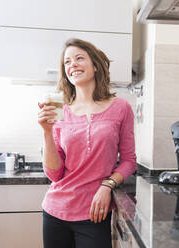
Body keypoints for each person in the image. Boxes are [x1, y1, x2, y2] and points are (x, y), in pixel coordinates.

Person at [37, 38, 137, 248]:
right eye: (67, 62)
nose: (72, 64)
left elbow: (129, 161)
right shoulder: (60, 111)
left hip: (95, 212)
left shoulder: (121, 108)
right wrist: (47, 132)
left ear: (95, 65)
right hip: (55, 210)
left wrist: (107, 185)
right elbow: (55, 174)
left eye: (79, 58)